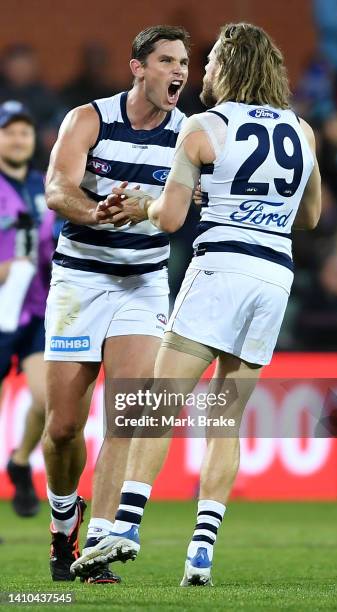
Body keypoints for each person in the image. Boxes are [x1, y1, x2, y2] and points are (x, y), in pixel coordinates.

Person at [71, 22, 322, 586]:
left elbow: (171, 219)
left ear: (229, 68)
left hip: (219, 270)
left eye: (209, 64)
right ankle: (201, 551)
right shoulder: (302, 131)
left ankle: (125, 527)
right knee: (224, 417)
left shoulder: (205, 126)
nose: (201, 72)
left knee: (158, 404)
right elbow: (309, 218)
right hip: (273, 276)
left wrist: (139, 207)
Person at [43, 25, 189, 583]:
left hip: (143, 283)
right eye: (167, 60)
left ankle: (97, 545)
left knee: (127, 414)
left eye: (184, 62)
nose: (179, 71)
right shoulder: (90, 118)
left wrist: (150, 205)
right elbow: (58, 189)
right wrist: (98, 211)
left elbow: (192, 199)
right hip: (80, 284)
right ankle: (64, 522)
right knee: (61, 429)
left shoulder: (188, 133)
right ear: (137, 67)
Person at [0, 100, 55, 517]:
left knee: (46, 399)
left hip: (35, 308)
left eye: (24, 131)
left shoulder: (43, 185)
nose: (18, 138)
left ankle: (20, 463)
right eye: (9, 131)